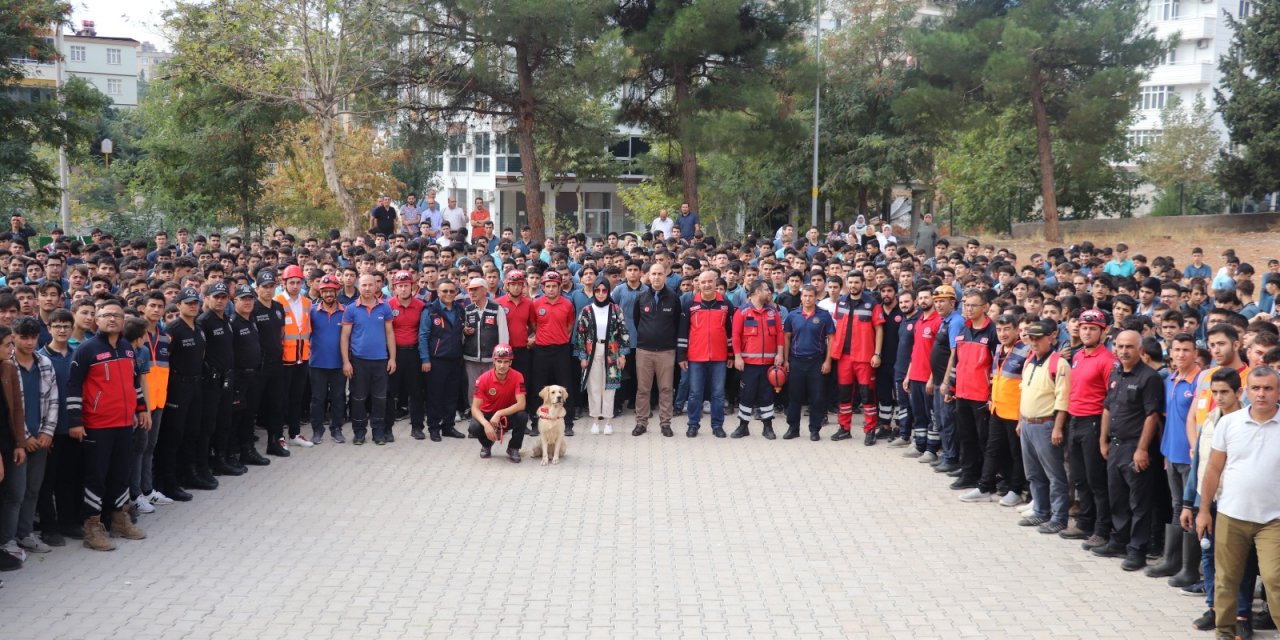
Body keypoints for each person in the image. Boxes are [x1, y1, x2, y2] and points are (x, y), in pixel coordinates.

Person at [1196, 366, 1280, 637]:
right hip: (1231, 515)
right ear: (1247, 391)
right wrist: (1204, 510)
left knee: (1274, 578)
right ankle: (1225, 631)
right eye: (1256, 388)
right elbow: (1213, 469)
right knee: (1225, 580)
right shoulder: (1229, 423)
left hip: (1274, 520)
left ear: (1277, 391)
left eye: (1268, 388)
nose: (1262, 394)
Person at [65, 299, 149, 551]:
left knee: (121, 473)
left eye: (117, 315)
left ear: (124, 321)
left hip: (124, 423)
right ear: (97, 320)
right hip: (97, 425)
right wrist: (75, 421)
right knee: (96, 477)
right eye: (106, 315)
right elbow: (73, 386)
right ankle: (92, 527)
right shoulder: (86, 349)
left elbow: (134, 382)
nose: (112, 319)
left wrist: (142, 408)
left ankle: (119, 520)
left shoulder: (126, 347)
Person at [1095, 330, 1165, 571]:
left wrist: (1142, 449)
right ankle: (1118, 541)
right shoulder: (1116, 373)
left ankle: (1137, 550)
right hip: (1115, 446)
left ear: (1140, 350)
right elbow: (1107, 409)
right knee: (1117, 498)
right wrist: (1103, 441)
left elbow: (1152, 415)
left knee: (1139, 503)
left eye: (1129, 347)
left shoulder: (1150, 378)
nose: (1124, 351)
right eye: (1120, 346)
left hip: (1136, 447)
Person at [2, 317, 56, 560]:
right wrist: (24, 437)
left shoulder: (44, 362)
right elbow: (12, 408)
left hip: (42, 437)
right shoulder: (7, 365)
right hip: (19, 441)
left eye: (33, 337)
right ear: (13, 337)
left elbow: (54, 398)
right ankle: (8, 539)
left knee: (34, 489)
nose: (29, 342)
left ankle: (25, 534)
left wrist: (47, 431)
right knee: (16, 492)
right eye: (23, 337)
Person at [1060, 309, 1114, 548]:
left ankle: (1101, 529)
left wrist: (1104, 436)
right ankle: (1084, 522)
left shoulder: (1108, 360)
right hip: (1075, 421)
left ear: (1102, 332)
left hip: (1094, 423)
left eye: (1093, 328)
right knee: (1080, 479)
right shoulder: (1078, 355)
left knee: (1097, 481)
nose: (1087, 332)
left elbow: (1110, 401)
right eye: (1084, 328)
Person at [1016, 319, 1072, 533]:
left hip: (1046, 424)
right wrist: (1021, 420)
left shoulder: (1059, 363)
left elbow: (1062, 399)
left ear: (1051, 338)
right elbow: (1025, 392)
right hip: (1028, 424)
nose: (1034, 342)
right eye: (1031, 338)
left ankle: (1059, 517)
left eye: (1039, 338)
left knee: (1054, 474)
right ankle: (1041, 511)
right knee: (1033, 473)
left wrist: (1058, 428)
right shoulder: (1030, 361)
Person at [829, 271, 884, 444]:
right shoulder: (841, 301)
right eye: (850, 282)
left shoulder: (872, 303)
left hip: (864, 357)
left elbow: (879, 329)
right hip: (844, 357)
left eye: (856, 282)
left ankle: (870, 431)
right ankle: (844, 428)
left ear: (863, 284)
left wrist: (877, 353)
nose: (853, 285)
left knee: (867, 395)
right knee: (844, 395)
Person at [341, 274, 397, 445]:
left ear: (376, 286)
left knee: (380, 398)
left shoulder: (385, 307)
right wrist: (346, 361)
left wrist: (392, 358)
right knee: (358, 398)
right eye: (363, 285)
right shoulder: (351, 309)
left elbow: (389, 333)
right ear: (359, 286)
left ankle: (378, 432)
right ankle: (359, 433)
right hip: (359, 361)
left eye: (370, 285)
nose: (367, 288)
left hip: (381, 360)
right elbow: (345, 337)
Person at [679, 269, 735, 438]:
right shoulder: (689, 304)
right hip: (696, 356)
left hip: (719, 356)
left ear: (716, 282)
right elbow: (682, 331)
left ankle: (717, 425)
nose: (706, 285)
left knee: (718, 393)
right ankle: (693, 425)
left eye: (710, 281)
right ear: (698, 284)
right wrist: (681, 355)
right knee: (695, 393)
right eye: (703, 282)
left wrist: (731, 354)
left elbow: (731, 332)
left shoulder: (726, 304)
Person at [573, 281, 630, 435]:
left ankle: (609, 421)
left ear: (608, 291)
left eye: (604, 290)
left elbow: (623, 332)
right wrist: (582, 357)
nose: (600, 293)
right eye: (597, 290)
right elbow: (580, 335)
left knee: (609, 387)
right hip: (593, 352)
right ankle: (596, 421)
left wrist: (623, 355)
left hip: (612, 352)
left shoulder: (616, 309)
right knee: (594, 387)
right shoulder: (587, 310)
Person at [730, 280, 784, 440]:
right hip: (748, 364)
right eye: (767, 290)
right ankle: (743, 427)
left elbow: (780, 334)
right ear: (758, 292)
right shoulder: (742, 311)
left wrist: (780, 354)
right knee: (746, 395)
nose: (770, 293)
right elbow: (735, 335)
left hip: (768, 364)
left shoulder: (773, 312)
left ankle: (768, 427)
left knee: (767, 396)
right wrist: (738, 356)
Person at [631, 262, 680, 437]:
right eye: (654, 274)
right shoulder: (641, 297)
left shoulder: (673, 298)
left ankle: (665, 424)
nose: (657, 277)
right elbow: (637, 321)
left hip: (666, 351)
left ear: (665, 275)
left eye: (660, 274)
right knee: (643, 389)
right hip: (644, 351)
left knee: (666, 389)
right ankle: (641, 423)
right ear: (648, 276)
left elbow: (676, 323)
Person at [783, 285, 834, 441]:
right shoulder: (793, 315)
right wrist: (785, 360)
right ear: (801, 297)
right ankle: (793, 428)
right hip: (796, 361)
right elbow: (786, 337)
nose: (807, 299)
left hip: (816, 362)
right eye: (805, 296)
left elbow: (831, 339)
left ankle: (814, 429)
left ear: (815, 297)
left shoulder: (824, 316)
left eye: (810, 296)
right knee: (794, 397)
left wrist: (828, 361)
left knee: (817, 397)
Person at [529, 271, 577, 436]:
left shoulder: (568, 304)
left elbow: (570, 325)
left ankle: (568, 423)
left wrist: (559, 335)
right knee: (539, 387)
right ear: (543, 287)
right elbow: (534, 325)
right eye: (547, 286)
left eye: (554, 286)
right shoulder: (536, 304)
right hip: (541, 350)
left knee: (565, 386)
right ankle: (536, 422)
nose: (550, 289)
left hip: (561, 350)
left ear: (559, 287)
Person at [229, 285, 272, 469]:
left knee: (249, 416)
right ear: (235, 301)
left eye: (250, 298)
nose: (247, 302)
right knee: (235, 418)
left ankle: (248, 450)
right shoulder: (233, 323)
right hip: (239, 378)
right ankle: (233, 454)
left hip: (254, 375)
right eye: (243, 299)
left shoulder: (251, 319)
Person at [419, 278, 466, 442]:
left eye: (451, 291)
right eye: (444, 291)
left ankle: (448, 426)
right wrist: (425, 359)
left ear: (456, 293)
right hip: (436, 360)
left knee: (451, 395)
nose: (448, 294)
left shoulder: (460, 310)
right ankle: (433, 428)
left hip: (455, 359)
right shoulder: (430, 310)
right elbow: (423, 336)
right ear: (438, 292)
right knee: (435, 396)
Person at [468, 344, 528, 463]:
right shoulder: (483, 379)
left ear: (510, 362)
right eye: (499, 361)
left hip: (507, 414)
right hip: (488, 414)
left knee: (522, 416)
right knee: (474, 427)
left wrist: (499, 413)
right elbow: (474, 408)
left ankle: (513, 448)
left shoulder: (518, 376)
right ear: (494, 361)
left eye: (506, 362)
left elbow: (521, 404)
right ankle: (486, 444)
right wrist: (486, 424)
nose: (502, 365)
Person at [386, 271, 427, 440]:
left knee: (416, 392)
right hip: (394, 354)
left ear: (412, 286)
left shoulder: (421, 305)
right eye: (399, 286)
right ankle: (387, 428)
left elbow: (424, 332)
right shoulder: (387, 305)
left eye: (406, 285)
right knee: (390, 393)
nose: (403, 289)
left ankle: (417, 427)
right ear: (394, 288)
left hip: (414, 354)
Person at [275, 265, 312, 447]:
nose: (295, 286)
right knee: (281, 398)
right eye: (292, 282)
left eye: (298, 282)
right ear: (284, 283)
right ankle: (278, 436)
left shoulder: (306, 302)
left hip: (302, 357)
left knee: (297, 397)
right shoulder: (277, 301)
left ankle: (295, 433)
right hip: (284, 359)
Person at [309, 274, 348, 443]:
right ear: (320, 293)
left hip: (339, 363)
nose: (328, 295)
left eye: (331, 291)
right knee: (318, 399)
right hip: (317, 363)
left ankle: (337, 429)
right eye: (325, 292)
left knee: (338, 398)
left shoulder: (346, 311)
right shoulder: (311, 311)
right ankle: (317, 430)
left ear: (336, 291)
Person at [462, 276, 509, 407]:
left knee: (493, 387)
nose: (472, 292)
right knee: (473, 388)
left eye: (475, 289)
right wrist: (464, 332)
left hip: (491, 357)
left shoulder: (496, 308)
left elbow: (503, 334)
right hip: (471, 357)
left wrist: (502, 356)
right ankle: (476, 415)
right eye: (470, 290)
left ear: (484, 290)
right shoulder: (468, 309)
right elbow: (462, 334)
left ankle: (494, 412)